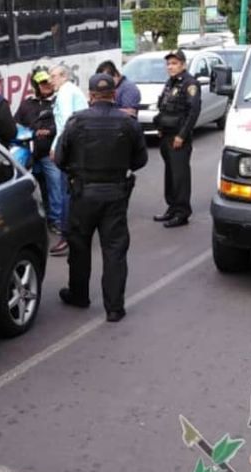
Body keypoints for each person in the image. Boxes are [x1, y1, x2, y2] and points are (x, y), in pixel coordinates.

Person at [54, 74, 148, 323]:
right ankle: (114, 307)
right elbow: (140, 160)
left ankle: (79, 295)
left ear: (91, 95)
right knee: (115, 250)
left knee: (79, 246)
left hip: (83, 194)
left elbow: (60, 159)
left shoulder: (76, 122)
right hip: (116, 194)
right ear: (114, 95)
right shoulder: (127, 122)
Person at [153, 49, 201, 228]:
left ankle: (182, 212)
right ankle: (172, 207)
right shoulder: (170, 83)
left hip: (178, 137)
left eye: (174, 63)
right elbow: (164, 107)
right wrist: (159, 127)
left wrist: (182, 135)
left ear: (183, 65)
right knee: (170, 174)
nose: (170, 67)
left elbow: (193, 112)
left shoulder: (190, 84)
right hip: (166, 134)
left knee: (180, 175)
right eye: (168, 64)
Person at [15, 62, 62, 234]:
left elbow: (66, 124)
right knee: (27, 191)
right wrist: (29, 133)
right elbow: (16, 125)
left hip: (50, 155)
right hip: (29, 156)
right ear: (35, 84)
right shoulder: (27, 104)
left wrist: (49, 131)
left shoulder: (58, 102)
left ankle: (56, 220)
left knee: (55, 188)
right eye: (42, 83)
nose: (46, 85)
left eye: (48, 82)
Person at [47, 63, 88, 257]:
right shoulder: (72, 90)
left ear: (63, 76)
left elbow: (64, 123)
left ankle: (66, 235)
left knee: (66, 192)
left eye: (53, 76)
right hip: (79, 147)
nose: (50, 80)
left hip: (70, 148)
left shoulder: (65, 93)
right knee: (74, 191)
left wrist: (55, 146)